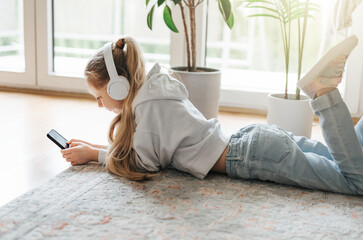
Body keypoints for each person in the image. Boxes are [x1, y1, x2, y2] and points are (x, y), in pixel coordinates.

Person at [61, 35, 363, 195]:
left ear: (117, 87)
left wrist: (96, 157)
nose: (100, 105)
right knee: (352, 158)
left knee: (356, 181)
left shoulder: (148, 109)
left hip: (255, 156)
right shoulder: (155, 92)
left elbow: (144, 164)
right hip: (256, 143)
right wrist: (95, 149)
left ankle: (323, 91)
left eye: (99, 97)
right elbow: (144, 148)